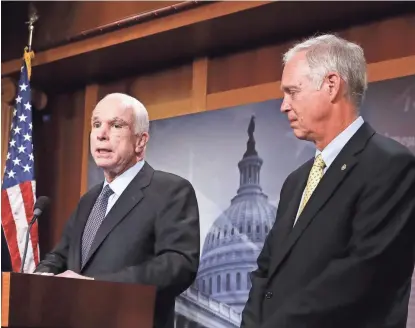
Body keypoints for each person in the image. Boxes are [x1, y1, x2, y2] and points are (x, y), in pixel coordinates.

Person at [241, 34, 415, 328]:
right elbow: (266, 272)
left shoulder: (391, 165)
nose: (283, 106)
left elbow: (362, 273)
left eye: (292, 91)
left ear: (332, 86)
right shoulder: (296, 182)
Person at [34, 93, 200, 328]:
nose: (101, 134)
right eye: (96, 124)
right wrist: (40, 280)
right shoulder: (89, 200)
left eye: (116, 125)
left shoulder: (170, 191)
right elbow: (60, 256)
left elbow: (178, 265)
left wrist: (93, 286)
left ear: (140, 141)